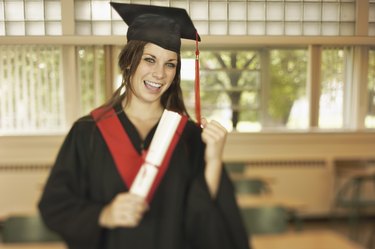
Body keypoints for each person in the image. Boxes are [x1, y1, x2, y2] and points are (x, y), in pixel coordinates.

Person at [38, 2, 250, 249]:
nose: (159, 74)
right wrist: (103, 214)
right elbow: (54, 204)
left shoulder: (189, 136)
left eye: (170, 64)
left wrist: (213, 158)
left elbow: (202, 219)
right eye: (150, 60)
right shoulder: (88, 132)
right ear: (129, 61)